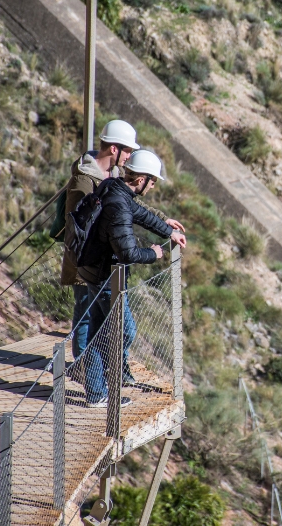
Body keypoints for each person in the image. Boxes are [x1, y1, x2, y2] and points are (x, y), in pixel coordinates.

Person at [61, 120, 184, 360]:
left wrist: (164, 223)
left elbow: (133, 207)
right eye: (127, 150)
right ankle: (84, 368)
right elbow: (79, 224)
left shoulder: (113, 177)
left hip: (102, 261)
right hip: (87, 259)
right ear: (115, 149)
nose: (130, 156)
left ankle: (96, 372)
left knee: (96, 320)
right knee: (87, 316)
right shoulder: (84, 182)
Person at [78, 149, 187, 408]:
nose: (153, 186)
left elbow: (140, 214)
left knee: (97, 329)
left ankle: (95, 391)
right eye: (153, 181)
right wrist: (154, 253)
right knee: (124, 330)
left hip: (92, 269)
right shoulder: (118, 206)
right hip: (105, 276)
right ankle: (102, 379)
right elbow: (127, 252)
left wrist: (168, 230)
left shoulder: (114, 188)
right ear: (141, 180)